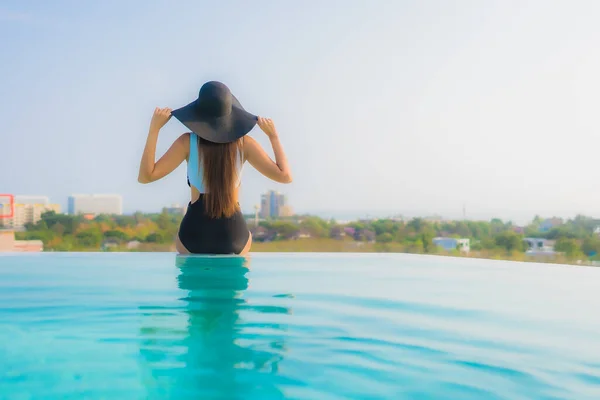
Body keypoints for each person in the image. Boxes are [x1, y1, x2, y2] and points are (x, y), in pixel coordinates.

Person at [137, 81, 292, 255]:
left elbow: (146, 176)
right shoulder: (245, 144)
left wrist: (154, 129)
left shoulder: (187, 142)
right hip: (234, 237)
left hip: (193, 236)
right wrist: (273, 136)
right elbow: (285, 176)